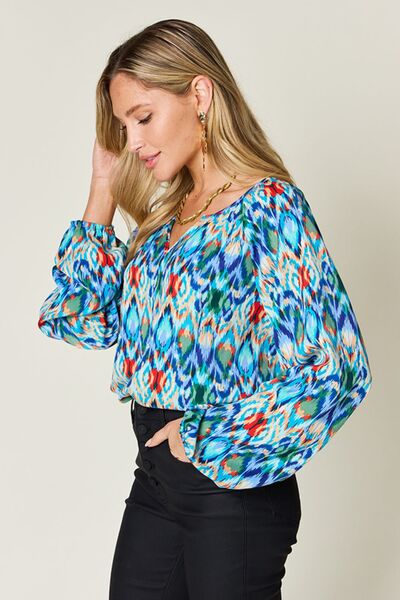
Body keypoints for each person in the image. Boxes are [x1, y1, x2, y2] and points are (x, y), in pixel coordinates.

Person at [37, 18, 373, 600]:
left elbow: (340, 369)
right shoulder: (163, 223)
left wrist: (205, 437)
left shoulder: (269, 209)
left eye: (143, 117)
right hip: (156, 479)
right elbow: (85, 320)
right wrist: (102, 188)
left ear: (199, 94)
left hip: (232, 488)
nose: (133, 141)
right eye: (123, 126)